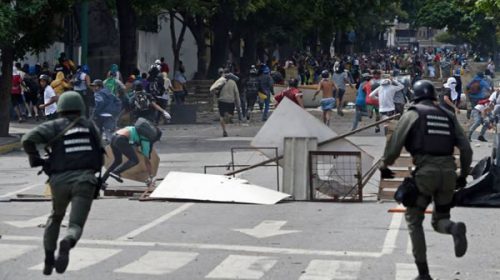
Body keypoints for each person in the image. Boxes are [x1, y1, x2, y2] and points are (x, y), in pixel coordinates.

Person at [380, 80, 472, 280]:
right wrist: (463, 176)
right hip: (449, 173)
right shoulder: (448, 115)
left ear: (416, 96)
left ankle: (423, 274)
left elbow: (395, 145)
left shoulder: (412, 113)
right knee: (440, 219)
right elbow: (466, 148)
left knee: (414, 220)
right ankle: (453, 228)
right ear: (433, 97)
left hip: (425, 173)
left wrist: (385, 165)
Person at [21, 91, 103, 275]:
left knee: (56, 217)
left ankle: (49, 260)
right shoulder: (90, 126)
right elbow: (100, 154)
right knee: (75, 225)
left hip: (59, 181)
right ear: (81, 108)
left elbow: (27, 139)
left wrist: (35, 158)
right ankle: (67, 242)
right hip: (85, 180)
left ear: (60, 108)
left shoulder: (54, 126)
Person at [101, 117, 161, 186]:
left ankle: (102, 181)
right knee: (134, 160)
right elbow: (147, 161)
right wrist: (150, 176)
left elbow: (133, 147)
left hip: (114, 137)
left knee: (117, 161)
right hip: (122, 139)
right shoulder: (146, 140)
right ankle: (116, 172)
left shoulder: (137, 129)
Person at [210, 69, 241, 137]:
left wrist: (215, 97)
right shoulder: (233, 82)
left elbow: (213, 89)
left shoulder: (219, 81)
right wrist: (238, 104)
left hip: (221, 101)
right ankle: (226, 120)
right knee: (230, 115)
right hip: (230, 101)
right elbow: (236, 93)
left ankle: (224, 130)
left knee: (221, 116)